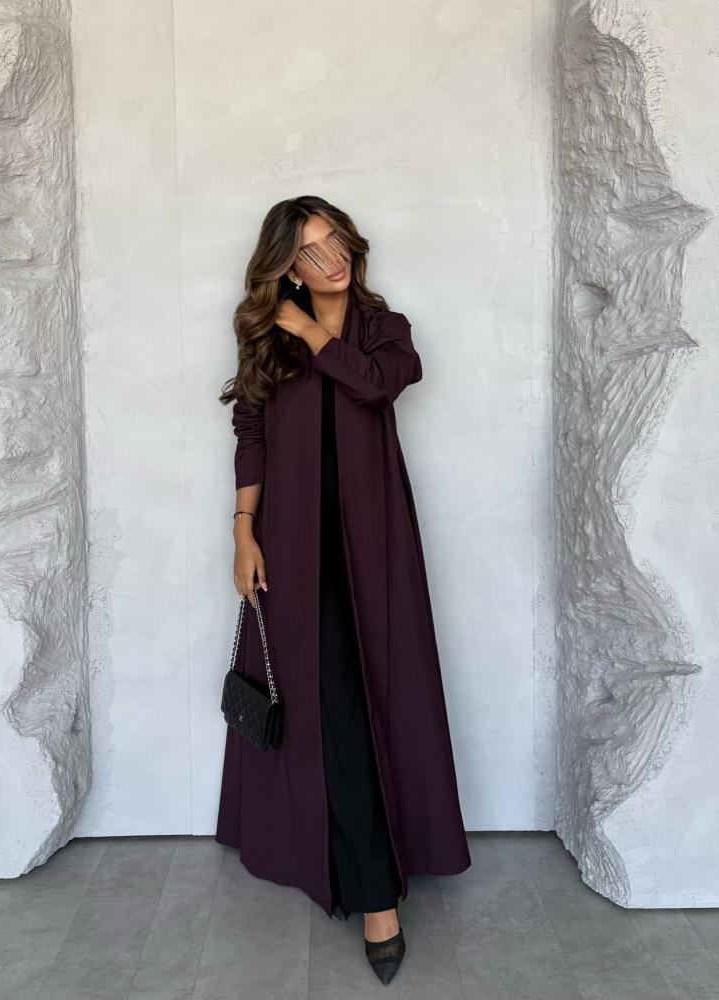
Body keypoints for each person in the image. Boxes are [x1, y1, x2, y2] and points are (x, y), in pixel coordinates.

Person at [216, 196, 471, 985]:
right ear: (286, 265)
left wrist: (310, 331)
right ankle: (371, 893)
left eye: (335, 242)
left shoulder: (382, 329)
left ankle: (375, 886)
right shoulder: (268, 336)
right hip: (292, 551)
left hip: (373, 547)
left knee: (370, 700)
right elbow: (251, 432)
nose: (330, 260)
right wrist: (242, 530)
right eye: (309, 251)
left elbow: (377, 386)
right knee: (327, 706)